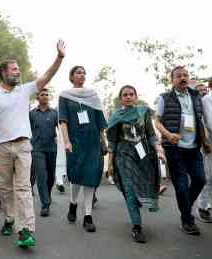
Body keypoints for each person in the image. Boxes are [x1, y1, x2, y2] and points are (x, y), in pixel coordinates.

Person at [0, 39, 65, 248]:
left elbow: (47, 76)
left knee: (24, 188)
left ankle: (25, 230)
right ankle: (9, 218)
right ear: (3, 73)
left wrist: (59, 57)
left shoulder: (25, 90)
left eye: (18, 69)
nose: (18, 72)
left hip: (23, 146)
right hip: (1, 147)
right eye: (14, 69)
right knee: (6, 188)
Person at [155, 66, 210, 235]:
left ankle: (185, 208)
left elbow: (199, 121)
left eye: (185, 75)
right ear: (172, 80)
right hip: (174, 147)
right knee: (181, 186)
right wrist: (168, 134)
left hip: (194, 146)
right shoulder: (164, 98)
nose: (183, 78)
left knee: (200, 179)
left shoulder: (196, 97)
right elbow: (157, 121)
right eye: (178, 76)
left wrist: (205, 141)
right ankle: (188, 221)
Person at [107, 85, 164, 243]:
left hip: (142, 153)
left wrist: (159, 149)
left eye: (131, 94)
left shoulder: (143, 111)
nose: (128, 97)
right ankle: (137, 227)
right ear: (121, 99)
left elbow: (151, 134)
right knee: (130, 188)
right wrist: (110, 164)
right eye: (125, 95)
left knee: (142, 184)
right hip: (123, 154)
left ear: (136, 96)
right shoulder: (116, 116)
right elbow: (112, 142)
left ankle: (138, 202)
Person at [59, 65, 107, 233]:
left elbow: (100, 121)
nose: (81, 75)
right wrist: (66, 141)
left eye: (83, 72)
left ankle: (87, 216)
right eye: (78, 72)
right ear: (71, 77)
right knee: (77, 177)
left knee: (90, 177)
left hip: (93, 142)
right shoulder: (64, 96)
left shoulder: (93, 95)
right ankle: (73, 203)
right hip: (75, 142)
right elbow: (63, 121)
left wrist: (103, 141)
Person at [29, 88, 58, 217]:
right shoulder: (32, 114)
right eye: (42, 94)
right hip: (37, 148)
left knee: (51, 176)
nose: (45, 96)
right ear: (38, 98)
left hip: (52, 148)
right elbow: (27, 130)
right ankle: (45, 204)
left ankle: (48, 193)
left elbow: (62, 129)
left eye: (47, 94)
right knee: (41, 175)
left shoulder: (55, 113)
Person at [196, 84, 212, 222]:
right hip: (209, 144)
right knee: (208, 176)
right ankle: (203, 206)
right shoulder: (207, 99)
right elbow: (210, 123)